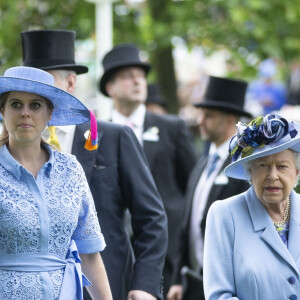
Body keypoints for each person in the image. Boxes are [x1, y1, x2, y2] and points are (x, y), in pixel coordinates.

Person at [21, 30, 168, 300]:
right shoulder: (13, 147)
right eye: (31, 84)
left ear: (71, 84)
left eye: (48, 82)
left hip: (106, 286)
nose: (37, 93)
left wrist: (145, 286)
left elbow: (151, 219)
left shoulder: (114, 138)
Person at [0, 65, 112, 300]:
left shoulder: (70, 169)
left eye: (36, 105)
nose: (25, 113)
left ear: (50, 113)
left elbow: (89, 253)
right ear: (3, 111)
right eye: (16, 104)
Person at [100, 43, 197, 298]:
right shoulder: (97, 136)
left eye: (141, 75)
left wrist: (183, 258)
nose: (137, 81)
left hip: (167, 258)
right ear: (110, 88)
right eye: (127, 75)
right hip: (116, 260)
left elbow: (193, 188)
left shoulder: (173, 128)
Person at [168, 76, 253, 300]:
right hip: (195, 284)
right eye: (200, 114)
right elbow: (187, 226)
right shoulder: (201, 165)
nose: (200, 121)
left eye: (208, 116)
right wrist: (177, 278)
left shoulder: (244, 169)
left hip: (229, 284)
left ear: (230, 120)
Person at [204, 113, 300, 300]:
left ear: (296, 172)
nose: (273, 176)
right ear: (250, 172)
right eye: (263, 165)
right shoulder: (224, 215)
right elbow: (219, 296)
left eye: (282, 166)